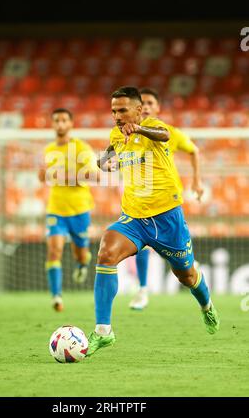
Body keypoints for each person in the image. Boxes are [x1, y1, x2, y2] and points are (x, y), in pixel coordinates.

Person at [87, 86, 219, 356]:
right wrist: (104, 162)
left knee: (187, 275)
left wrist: (139, 129)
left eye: (122, 110)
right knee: (106, 253)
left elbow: (165, 135)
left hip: (167, 219)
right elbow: (109, 151)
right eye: (113, 111)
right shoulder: (116, 133)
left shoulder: (154, 127)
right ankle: (103, 332)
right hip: (134, 218)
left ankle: (206, 306)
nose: (117, 116)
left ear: (138, 110)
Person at [129, 87, 204, 310]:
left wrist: (197, 181)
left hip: (167, 201)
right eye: (143, 104)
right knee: (140, 245)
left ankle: (189, 265)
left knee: (178, 258)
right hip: (140, 200)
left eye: (151, 103)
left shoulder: (169, 132)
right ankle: (142, 290)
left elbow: (194, 151)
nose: (147, 107)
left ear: (158, 107)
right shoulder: (130, 135)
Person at [38, 108, 96, 312]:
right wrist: (43, 174)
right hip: (56, 210)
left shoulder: (81, 148)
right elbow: (43, 176)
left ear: (71, 123)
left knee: (80, 254)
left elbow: (94, 176)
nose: (60, 124)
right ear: (52, 124)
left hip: (80, 210)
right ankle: (56, 296)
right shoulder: (48, 150)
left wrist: (63, 177)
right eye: (56, 120)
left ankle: (82, 264)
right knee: (54, 250)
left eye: (64, 120)